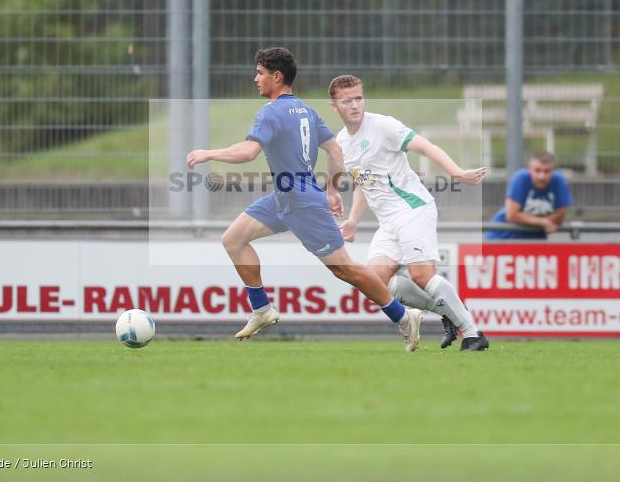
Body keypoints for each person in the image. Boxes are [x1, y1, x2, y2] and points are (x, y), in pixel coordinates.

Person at [187, 48, 422, 351]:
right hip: (284, 198)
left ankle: (404, 316)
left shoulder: (270, 112)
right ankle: (262, 310)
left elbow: (248, 152)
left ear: (277, 76)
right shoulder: (307, 112)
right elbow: (335, 150)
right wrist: (333, 189)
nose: (256, 78)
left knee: (344, 269)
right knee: (233, 239)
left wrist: (210, 153)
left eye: (260, 72)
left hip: (301, 202)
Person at [328, 74, 490, 352]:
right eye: (347, 100)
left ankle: (473, 334)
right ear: (334, 106)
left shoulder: (383, 126)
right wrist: (353, 220)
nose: (355, 105)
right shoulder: (342, 142)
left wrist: (456, 172)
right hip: (388, 221)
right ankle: (450, 312)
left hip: (413, 209)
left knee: (421, 275)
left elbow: (425, 146)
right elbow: (363, 184)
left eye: (359, 98)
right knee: (375, 280)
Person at [485, 151, 572, 240]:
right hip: (503, 236)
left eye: (547, 171)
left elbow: (560, 216)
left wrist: (535, 221)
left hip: (534, 238)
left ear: (553, 171)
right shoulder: (521, 178)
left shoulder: (559, 181)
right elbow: (511, 215)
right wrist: (543, 222)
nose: (542, 176)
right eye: (537, 170)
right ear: (530, 169)